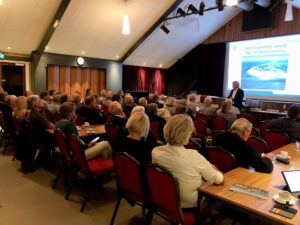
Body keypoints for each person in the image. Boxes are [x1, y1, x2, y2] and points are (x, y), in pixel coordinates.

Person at [152, 114, 224, 208]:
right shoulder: (193, 156)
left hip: (165, 197)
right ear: (187, 134)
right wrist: (214, 169)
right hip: (190, 203)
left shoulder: (155, 152)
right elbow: (219, 180)